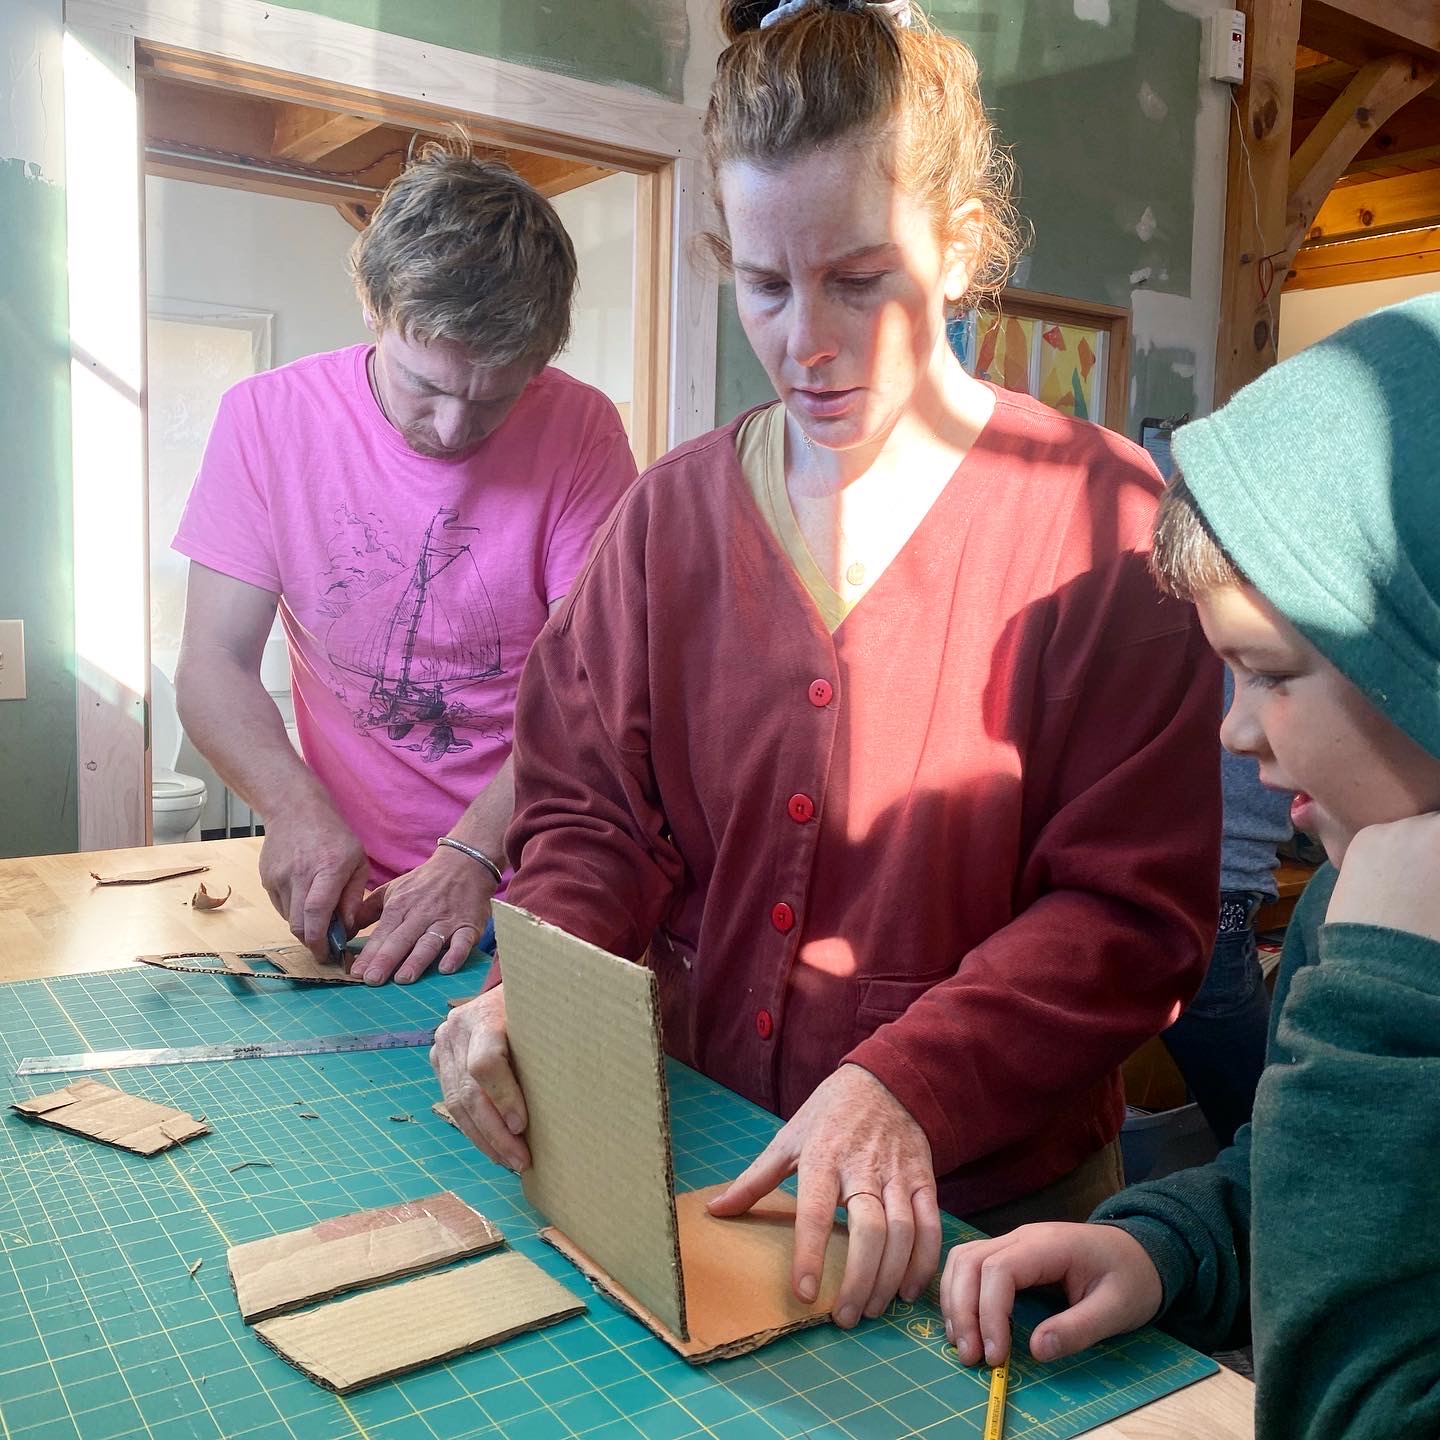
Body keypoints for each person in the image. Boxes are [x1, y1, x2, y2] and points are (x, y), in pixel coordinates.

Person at [432, 0, 1220, 1333]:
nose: (806, 340)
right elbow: (591, 822)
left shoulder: (1105, 529)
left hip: (987, 1226)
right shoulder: (666, 524)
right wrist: (537, 989)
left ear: (963, 251)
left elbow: (1127, 919)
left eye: (861, 280)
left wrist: (908, 1080)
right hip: (711, 1176)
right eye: (764, 282)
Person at [939, 294, 1440, 1440]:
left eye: (1271, 672)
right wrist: (1164, 1248)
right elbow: (1297, 1182)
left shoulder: (1385, 918)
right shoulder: (1366, 876)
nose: (1236, 731)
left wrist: (1388, 1006)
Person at [173, 148, 637, 985]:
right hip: (358, 888)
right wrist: (294, 807)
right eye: (425, 384)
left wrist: (474, 853)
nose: (455, 429)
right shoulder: (266, 421)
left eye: (495, 396)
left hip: (538, 870)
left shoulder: (584, 430)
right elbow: (213, 663)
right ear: (372, 306)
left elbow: (593, 691)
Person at [1161, 670, 1293, 1147]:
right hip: (1210, 891)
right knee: (1265, 1134)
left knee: (1265, 1135)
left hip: (1212, 892)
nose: (1235, 732)